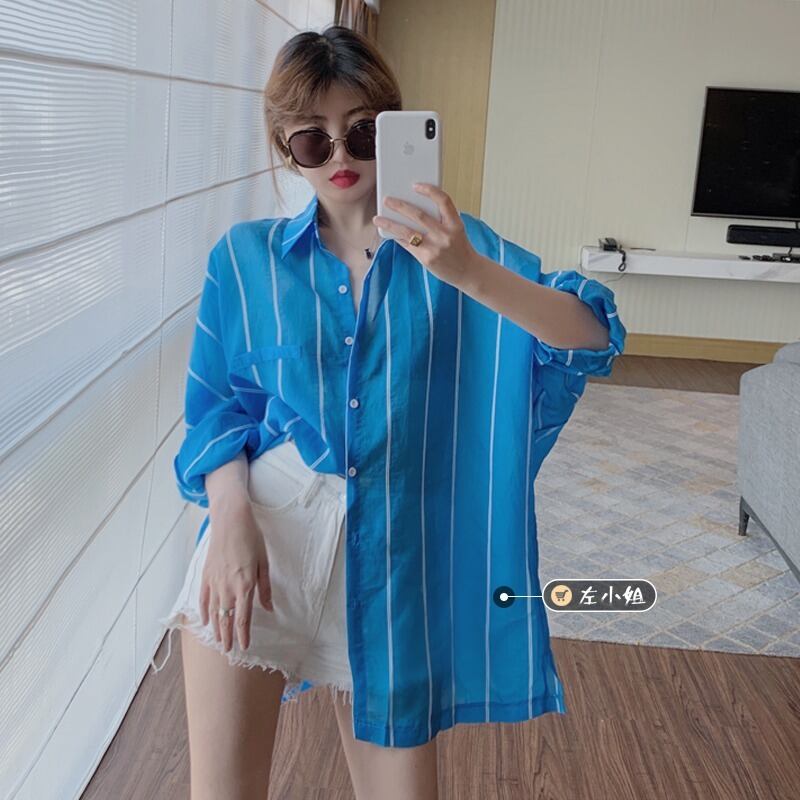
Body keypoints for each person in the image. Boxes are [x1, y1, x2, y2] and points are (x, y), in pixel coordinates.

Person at [150, 24, 626, 800]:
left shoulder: (458, 248)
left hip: (393, 556)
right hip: (264, 535)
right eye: (313, 140)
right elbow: (218, 413)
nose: (341, 156)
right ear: (286, 149)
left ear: (397, 128)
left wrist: (466, 271)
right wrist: (229, 518)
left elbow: (591, 339)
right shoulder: (244, 258)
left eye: (363, 132)